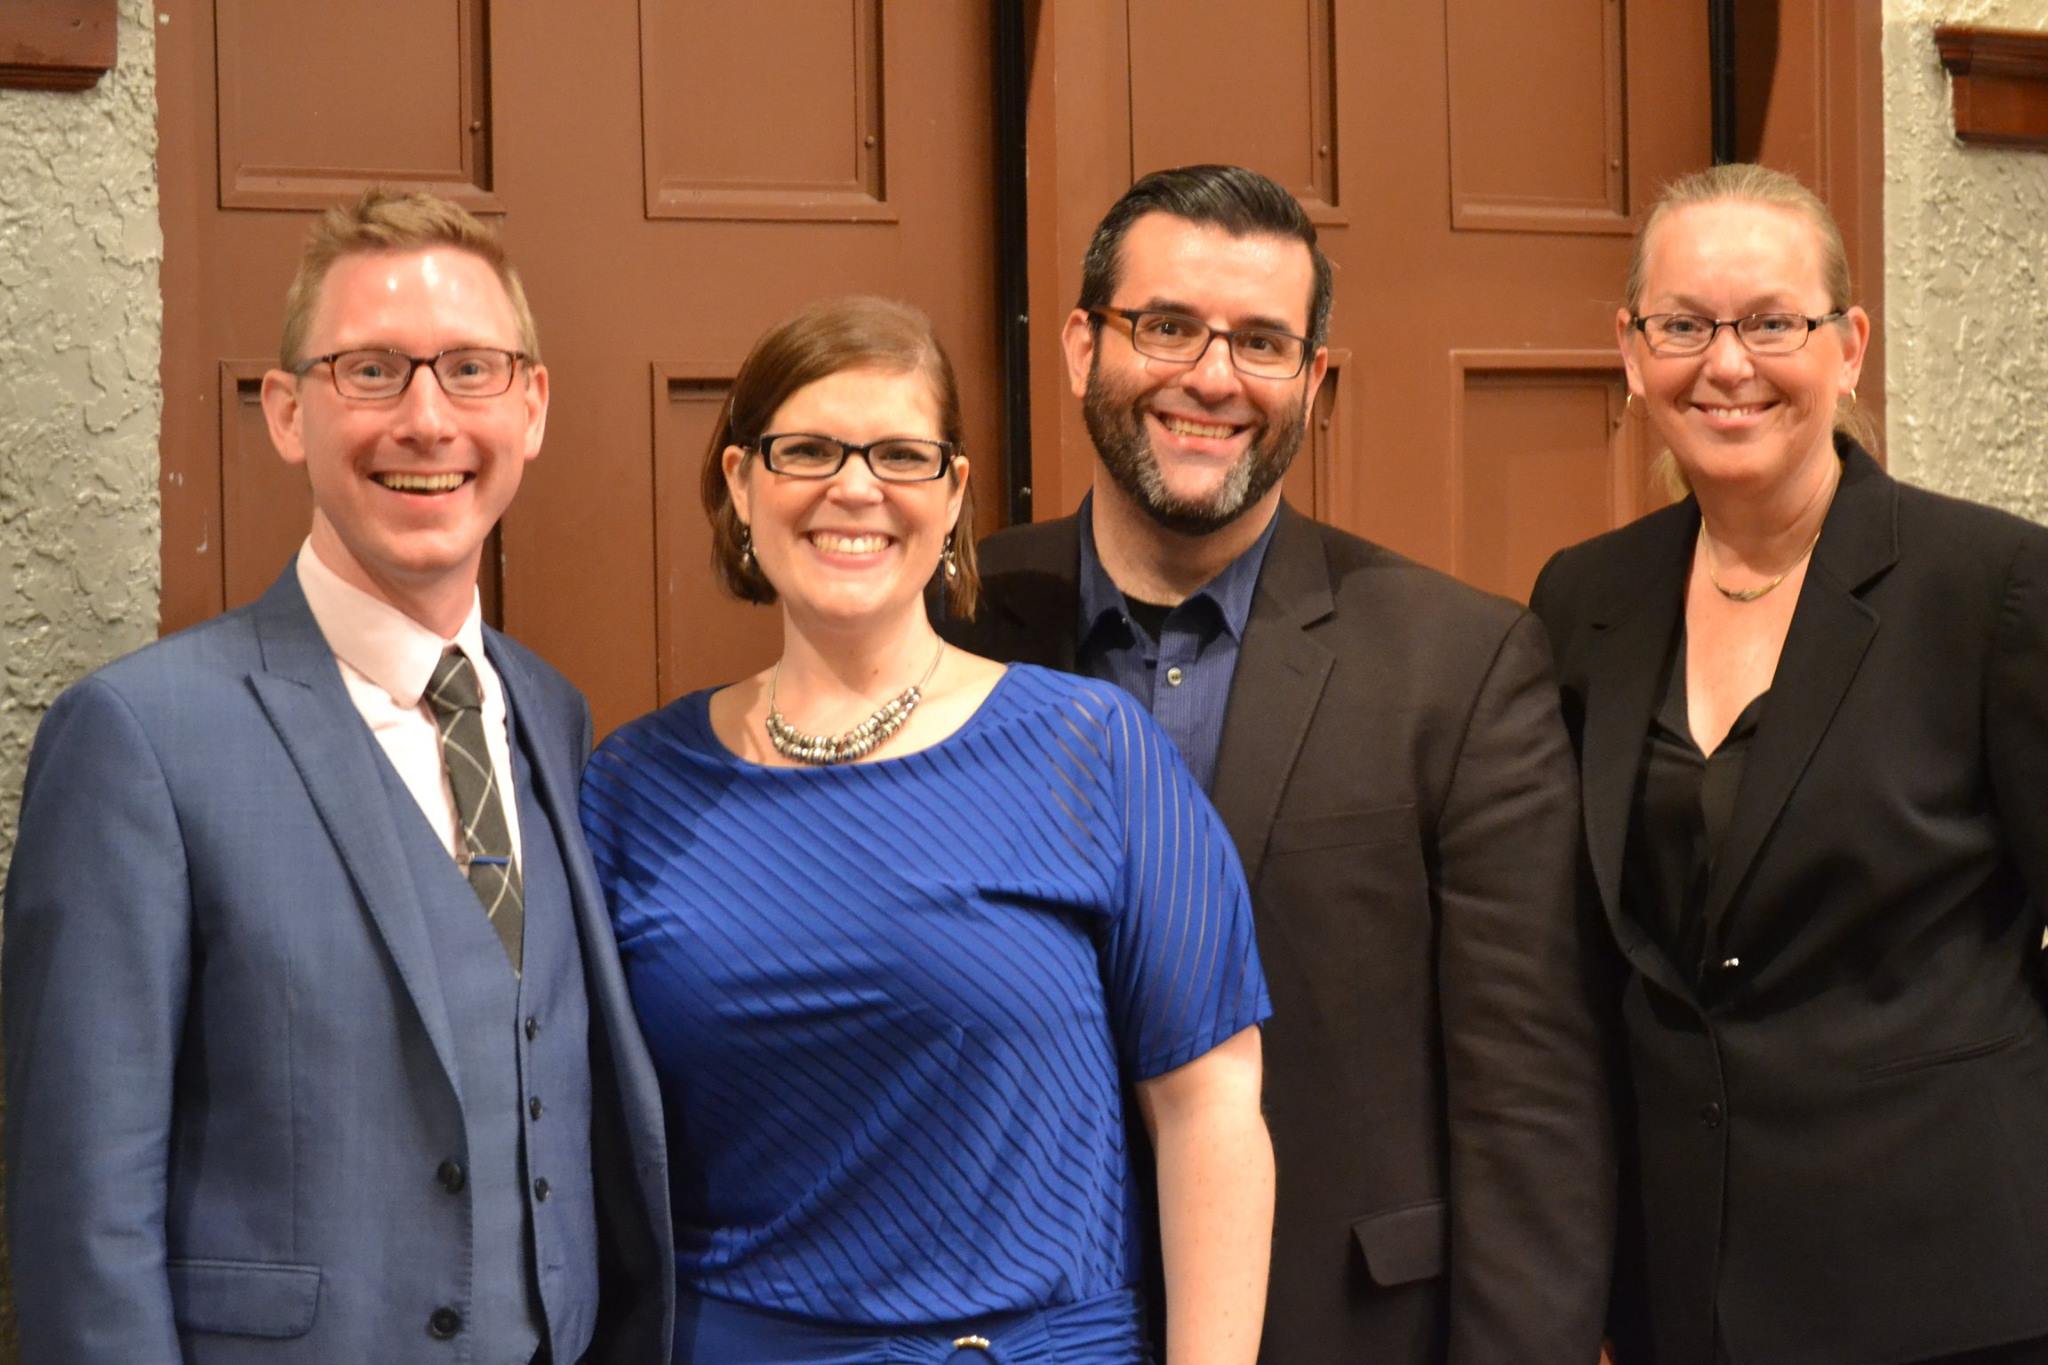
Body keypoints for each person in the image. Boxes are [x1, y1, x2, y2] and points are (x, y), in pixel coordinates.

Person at [946, 163, 1614, 1363]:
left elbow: (1529, 1117)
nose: (1211, 377)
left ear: (1312, 381)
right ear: (1080, 345)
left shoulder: (1456, 665)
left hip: (1343, 1328)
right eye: (1166, 327)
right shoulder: (955, 624)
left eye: (1261, 342)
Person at [2, 190, 672, 1363]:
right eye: (370, 371)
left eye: (470, 368)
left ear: (532, 405)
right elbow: (81, 1215)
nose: (426, 419)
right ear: (286, 411)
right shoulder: (138, 740)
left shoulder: (552, 718)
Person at [579, 295, 1274, 1364]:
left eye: (900, 455)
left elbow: (1210, 1112)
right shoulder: (631, 787)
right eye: (806, 449)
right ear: (739, 482)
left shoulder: (1092, 750)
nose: (853, 488)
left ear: (950, 497)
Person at [1530, 162, 2048, 1365]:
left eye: (1771, 322)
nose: (1725, 364)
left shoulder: (1992, 588)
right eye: (1682, 324)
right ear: (1628, 346)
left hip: (1947, 1283)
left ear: (1847, 343)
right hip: (1678, 1282)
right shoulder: (1582, 598)